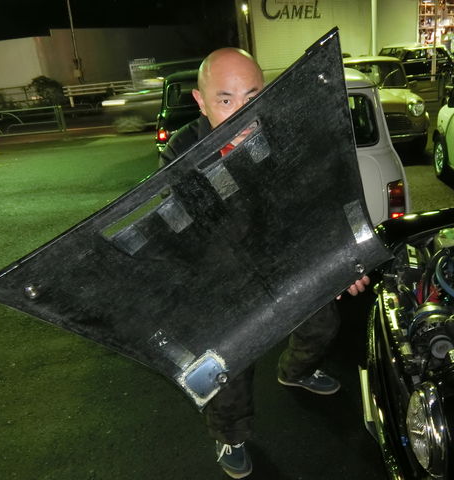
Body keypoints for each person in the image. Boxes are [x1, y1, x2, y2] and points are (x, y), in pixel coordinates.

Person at [160, 47, 370, 479]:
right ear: (201, 101)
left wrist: (341, 258)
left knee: (322, 324)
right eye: (225, 100)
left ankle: (296, 370)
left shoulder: (283, 133)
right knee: (228, 369)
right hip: (223, 271)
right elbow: (192, 225)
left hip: (284, 255)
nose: (241, 113)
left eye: (252, 98)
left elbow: (314, 198)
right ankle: (230, 435)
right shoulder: (181, 149)